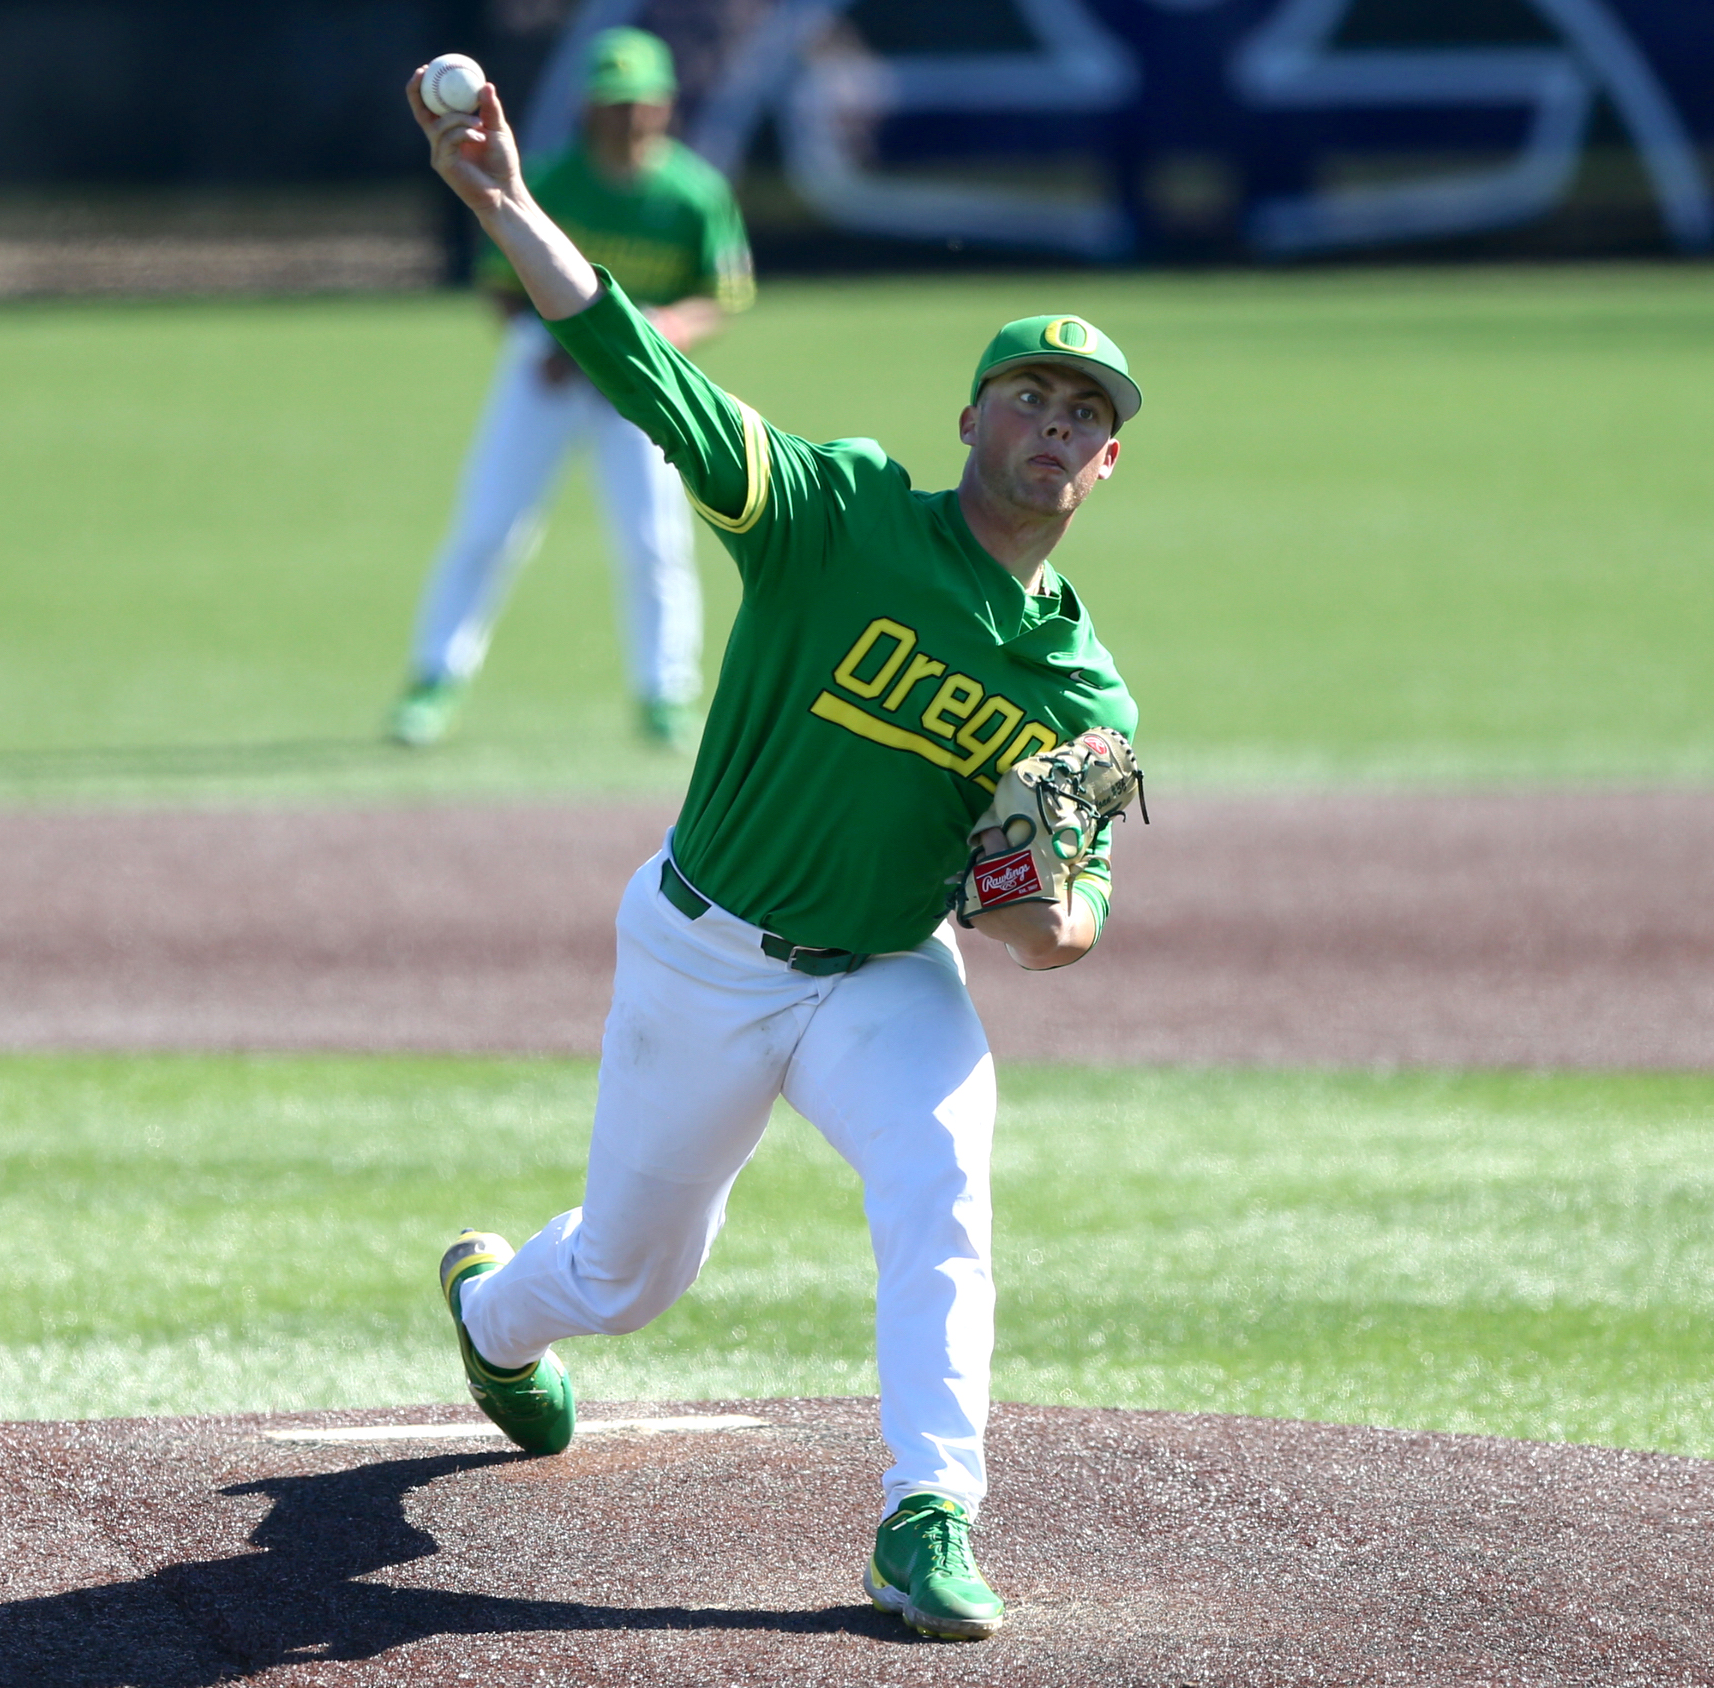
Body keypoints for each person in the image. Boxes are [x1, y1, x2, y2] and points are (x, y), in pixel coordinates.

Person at [407, 60, 1143, 1644]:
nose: (1054, 423)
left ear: (1105, 468)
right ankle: (492, 1312)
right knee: (626, 1277)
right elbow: (632, 363)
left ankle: (924, 1518)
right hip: (702, 952)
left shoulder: (1084, 696)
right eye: (1030, 393)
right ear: (973, 417)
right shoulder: (834, 514)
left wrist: (1044, 916)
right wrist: (503, 201)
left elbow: (1062, 922)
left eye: (1085, 417)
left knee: (943, 1182)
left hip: (886, 972)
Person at [390, 27, 755, 753]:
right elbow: (499, 289)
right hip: (546, 377)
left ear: (663, 106)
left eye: (637, 102)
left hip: (640, 385)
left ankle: (665, 695)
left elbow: (724, 294)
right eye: (611, 102)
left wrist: (665, 328)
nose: (625, 116)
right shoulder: (549, 180)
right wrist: (552, 339)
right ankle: (433, 681)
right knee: (491, 526)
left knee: (655, 542)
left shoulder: (693, 193)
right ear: (589, 107)